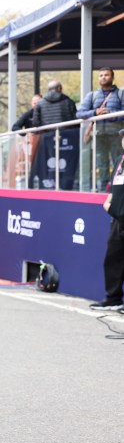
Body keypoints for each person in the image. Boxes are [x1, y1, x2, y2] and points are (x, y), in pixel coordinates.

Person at [92, 128, 124, 311]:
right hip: (117, 219)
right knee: (113, 259)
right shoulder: (120, 161)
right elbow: (113, 188)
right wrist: (108, 202)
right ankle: (113, 298)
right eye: (123, 138)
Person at [76, 67, 124, 191]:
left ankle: (117, 189)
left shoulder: (121, 94)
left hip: (116, 135)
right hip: (98, 135)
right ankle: (103, 189)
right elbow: (79, 113)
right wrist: (95, 112)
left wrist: (110, 113)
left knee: (118, 162)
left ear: (112, 77)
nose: (103, 77)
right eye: (101, 75)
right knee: (101, 165)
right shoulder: (92, 95)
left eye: (106, 75)